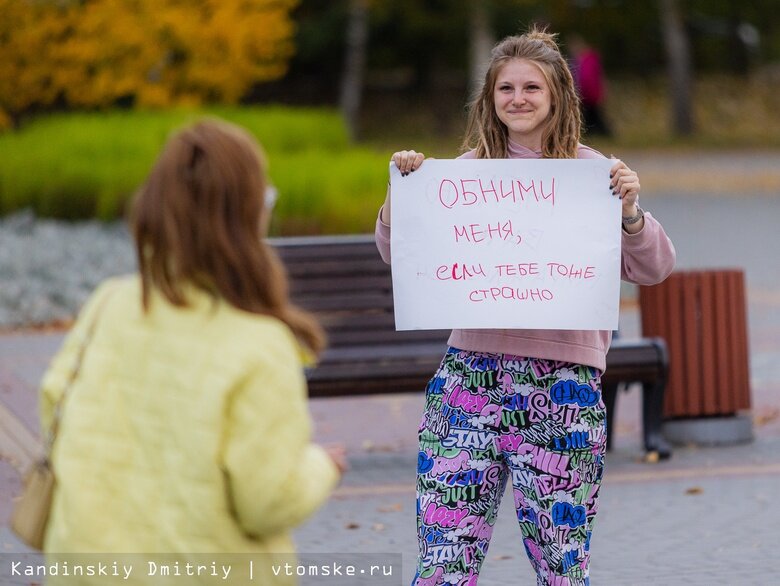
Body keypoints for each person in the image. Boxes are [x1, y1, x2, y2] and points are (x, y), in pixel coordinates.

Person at [375, 28, 675, 586]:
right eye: (506, 87)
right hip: (470, 382)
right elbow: (399, 253)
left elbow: (654, 267)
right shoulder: (458, 176)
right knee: (443, 563)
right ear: (490, 97)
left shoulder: (598, 175)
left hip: (563, 387)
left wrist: (632, 211)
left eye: (531, 87)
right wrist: (403, 195)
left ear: (558, 93)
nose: (518, 98)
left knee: (561, 567)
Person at [39, 119, 346, 584]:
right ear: (249, 216)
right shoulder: (260, 343)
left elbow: (53, 409)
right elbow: (267, 502)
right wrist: (322, 466)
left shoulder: (110, 302)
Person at [568, 34, 612, 137]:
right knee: (593, 115)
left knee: (592, 115)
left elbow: (586, 78)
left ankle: (600, 133)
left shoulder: (586, 59)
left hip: (589, 93)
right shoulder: (584, 59)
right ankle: (599, 133)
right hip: (589, 93)